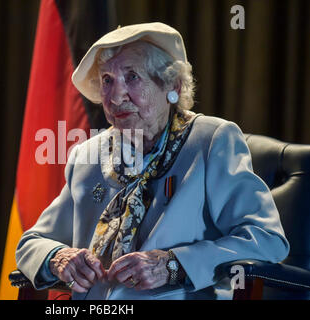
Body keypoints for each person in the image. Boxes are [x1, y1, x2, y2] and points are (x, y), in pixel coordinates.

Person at [15, 22, 289, 300]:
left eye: (132, 77)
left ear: (173, 85)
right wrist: (59, 256)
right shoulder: (87, 155)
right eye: (107, 80)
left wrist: (172, 264)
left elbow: (266, 241)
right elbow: (31, 243)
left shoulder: (211, 141)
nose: (116, 96)